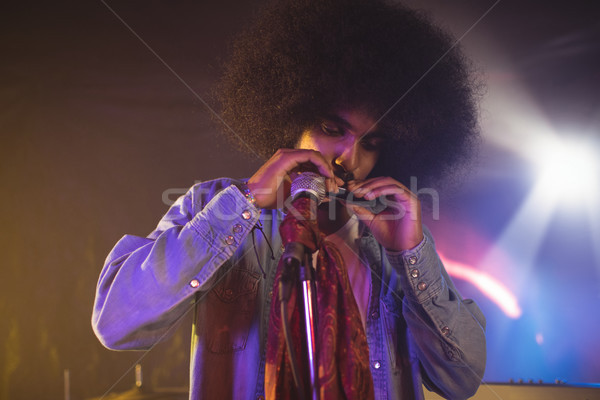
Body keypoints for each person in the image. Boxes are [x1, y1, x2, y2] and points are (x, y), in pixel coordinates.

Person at [92, 0, 486, 399]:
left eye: (371, 143)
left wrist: (412, 253)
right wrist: (242, 203)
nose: (347, 157)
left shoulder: (398, 240)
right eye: (332, 127)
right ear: (291, 113)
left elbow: (462, 380)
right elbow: (116, 324)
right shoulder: (213, 205)